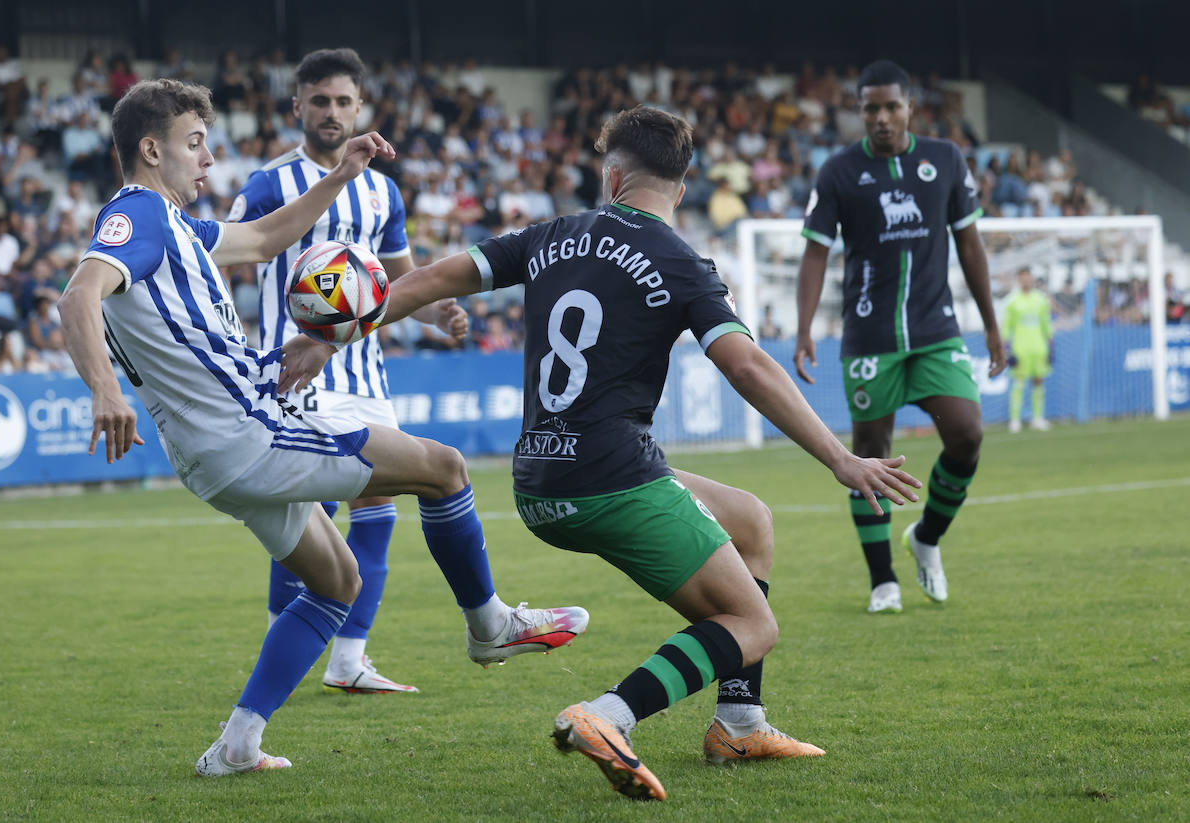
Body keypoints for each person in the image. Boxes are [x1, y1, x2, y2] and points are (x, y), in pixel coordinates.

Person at [279, 105, 921, 802]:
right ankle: (607, 715)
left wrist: (337, 333)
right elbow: (748, 367)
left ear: (613, 174)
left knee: (751, 519)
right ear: (683, 184)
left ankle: (739, 720)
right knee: (752, 623)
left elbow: (431, 280)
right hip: (612, 477)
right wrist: (840, 458)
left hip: (540, 478)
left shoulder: (552, 235)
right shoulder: (681, 260)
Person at [57, 78, 587, 776]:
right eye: (195, 145)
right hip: (251, 432)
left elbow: (269, 236)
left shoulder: (181, 229)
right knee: (445, 468)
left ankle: (236, 744)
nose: (209, 160)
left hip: (214, 452)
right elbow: (79, 293)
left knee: (337, 580)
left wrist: (339, 176)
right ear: (151, 150)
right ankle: (491, 625)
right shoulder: (138, 217)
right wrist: (104, 391)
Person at [230, 47, 466, 696]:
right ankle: (291, 635)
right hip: (297, 371)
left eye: (342, 101)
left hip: (366, 371)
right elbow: (220, 254)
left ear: (359, 107)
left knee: (380, 505)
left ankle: (349, 658)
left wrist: (431, 312)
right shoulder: (268, 185)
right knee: (307, 514)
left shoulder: (383, 189)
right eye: (319, 101)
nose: (331, 112)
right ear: (296, 106)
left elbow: (394, 278)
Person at [793, 60, 1005, 614]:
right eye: (870, 109)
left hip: (936, 330)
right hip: (869, 336)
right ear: (859, 112)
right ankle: (882, 579)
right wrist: (803, 329)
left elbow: (970, 245)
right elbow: (815, 252)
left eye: (891, 107)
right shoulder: (838, 171)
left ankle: (927, 537)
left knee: (967, 434)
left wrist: (991, 321)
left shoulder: (945, 159)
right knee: (869, 455)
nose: (881, 118)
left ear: (910, 108)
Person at [1003, 268, 1052, 432]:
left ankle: (1037, 418)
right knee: (1019, 383)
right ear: (1019, 279)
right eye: (1022, 277)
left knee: (1038, 381)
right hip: (1020, 348)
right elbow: (1006, 327)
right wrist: (1007, 348)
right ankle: (1015, 419)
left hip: (1039, 348)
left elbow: (1046, 323)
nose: (1026, 280)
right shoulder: (1012, 301)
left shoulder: (1041, 299)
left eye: (1028, 277)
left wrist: (1050, 345)